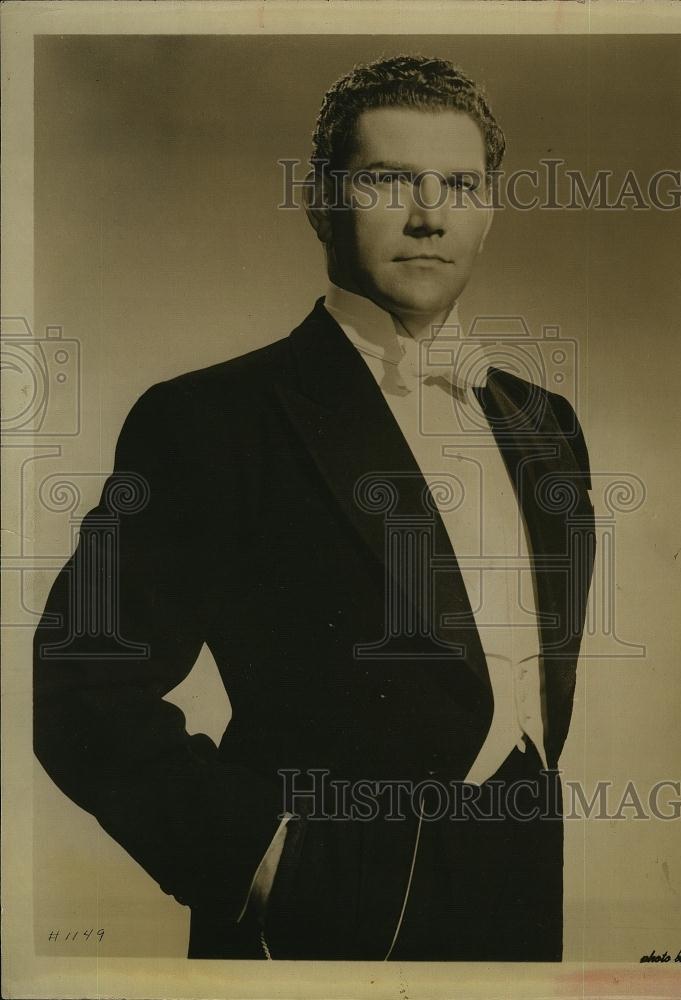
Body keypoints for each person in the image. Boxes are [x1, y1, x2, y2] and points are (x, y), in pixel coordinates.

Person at [33, 54, 595, 962]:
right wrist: (260, 859)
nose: (428, 213)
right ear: (318, 199)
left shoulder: (545, 424)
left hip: (520, 889)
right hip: (314, 913)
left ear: (489, 209)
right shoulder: (210, 419)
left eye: (458, 183)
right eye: (386, 180)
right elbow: (79, 687)